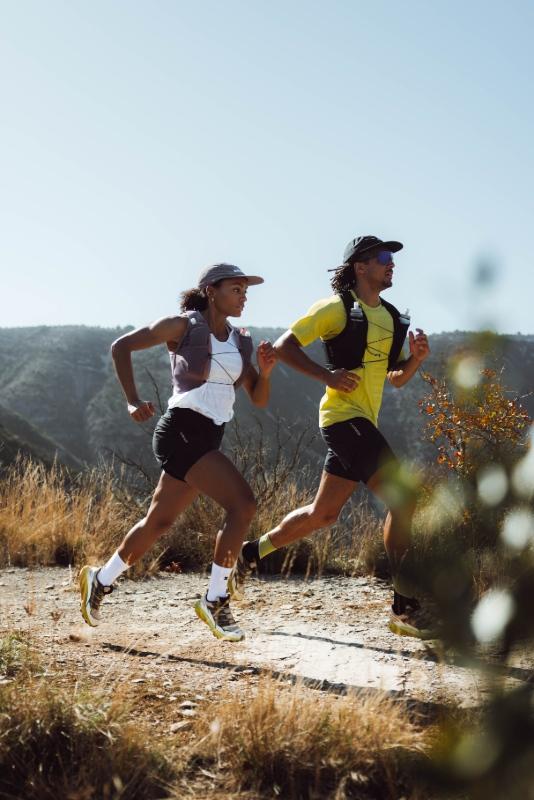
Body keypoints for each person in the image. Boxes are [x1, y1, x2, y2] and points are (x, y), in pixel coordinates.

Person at [228, 235, 433, 639]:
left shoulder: (390, 318)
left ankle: (251, 554)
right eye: (384, 258)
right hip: (341, 418)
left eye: (392, 258)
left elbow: (395, 379)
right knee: (404, 497)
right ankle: (404, 606)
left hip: (364, 421)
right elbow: (286, 346)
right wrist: (328, 376)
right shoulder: (335, 309)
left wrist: (417, 361)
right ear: (360, 266)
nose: (392, 264)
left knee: (323, 514)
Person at [79, 263, 276, 641]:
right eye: (236, 289)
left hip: (209, 436)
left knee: (159, 522)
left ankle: (100, 580)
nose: (244, 295)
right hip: (182, 431)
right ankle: (216, 599)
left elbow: (259, 398)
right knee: (243, 505)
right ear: (211, 291)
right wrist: (132, 400)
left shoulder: (239, 341)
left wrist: (264, 372)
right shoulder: (182, 325)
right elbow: (121, 346)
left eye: (245, 290)